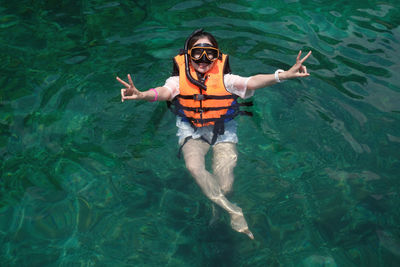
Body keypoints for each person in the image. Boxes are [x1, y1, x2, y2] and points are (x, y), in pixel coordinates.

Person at [117, 29, 311, 240]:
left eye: (209, 53)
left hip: (222, 130)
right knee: (194, 166)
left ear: (217, 55)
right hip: (192, 130)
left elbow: (252, 81)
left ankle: (217, 208)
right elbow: (162, 92)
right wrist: (141, 94)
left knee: (225, 185)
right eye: (197, 53)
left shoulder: (226, 79)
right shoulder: (176, 81)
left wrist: (283, 75)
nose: (203, 59)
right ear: (188, 55)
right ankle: (233, 211)